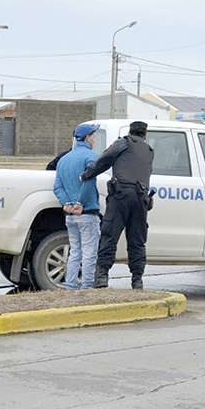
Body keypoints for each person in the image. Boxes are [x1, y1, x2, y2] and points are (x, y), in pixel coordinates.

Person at [81, 121, 154, 289]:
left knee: (109, 235)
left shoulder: (122, 143)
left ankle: (101, 276)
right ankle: (137, 280)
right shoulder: (149, 151)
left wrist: (87, 175)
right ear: (145, 134)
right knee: (137, 240)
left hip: (121, 197)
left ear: (131, 131)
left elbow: (104, 161)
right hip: (141, 198)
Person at [52, 124, 101, 290]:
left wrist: (67, 204)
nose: (94, 139)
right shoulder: (91, 157)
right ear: (87, 138)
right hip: (87, 212)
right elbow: (89, 182)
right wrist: (80, 203)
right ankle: (87, 286)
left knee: (75, 251)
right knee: (89, 252)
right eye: (93, 136)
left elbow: (57, 187)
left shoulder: (64, 160)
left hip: (70, 216)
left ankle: (71, 284)